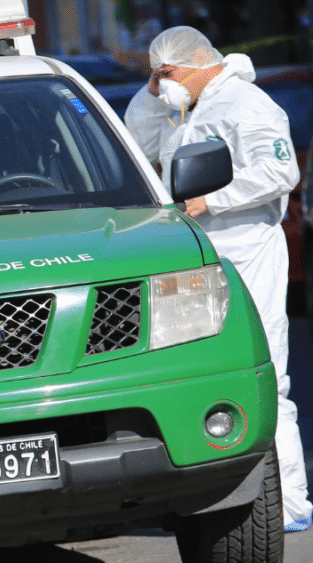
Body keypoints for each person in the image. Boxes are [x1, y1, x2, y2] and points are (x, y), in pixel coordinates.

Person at [125, 26, 312, 532]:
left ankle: (289, 500)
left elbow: (279, 173)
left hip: (247, 251)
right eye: (154, 77)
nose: (162, 86)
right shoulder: (179, 109)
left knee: (265, 372)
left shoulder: (246, 105)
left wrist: (212, 200)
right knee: (197, 375)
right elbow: (135, 143)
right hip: (194, 255)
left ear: (198, 63)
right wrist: (150, 94)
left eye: (166, 75)